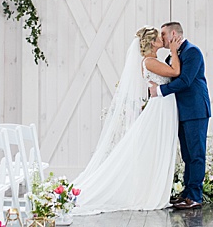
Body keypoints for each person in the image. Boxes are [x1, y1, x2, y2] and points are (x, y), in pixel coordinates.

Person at [72, 26, 183, 215]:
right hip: (160, 109)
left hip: (165, 107)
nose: (162, 39)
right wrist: (173, 51)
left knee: (158, 148)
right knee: (155, 147)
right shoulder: (149, 61)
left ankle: (154, 188)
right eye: (158, 37)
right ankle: (151, 192)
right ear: (151, 43)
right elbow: (175, 73)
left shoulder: (153, 60)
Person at [151, 22, 211, 210]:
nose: (161, 38)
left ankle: (195, 197)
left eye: (163, 34)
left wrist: (159, 90)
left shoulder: (193, 52)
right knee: (187, 154)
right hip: (182, 111)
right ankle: (187, 194)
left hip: (195, 110)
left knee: (196, 154)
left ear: (173, 33)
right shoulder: (173, 55)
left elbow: (185, 81)